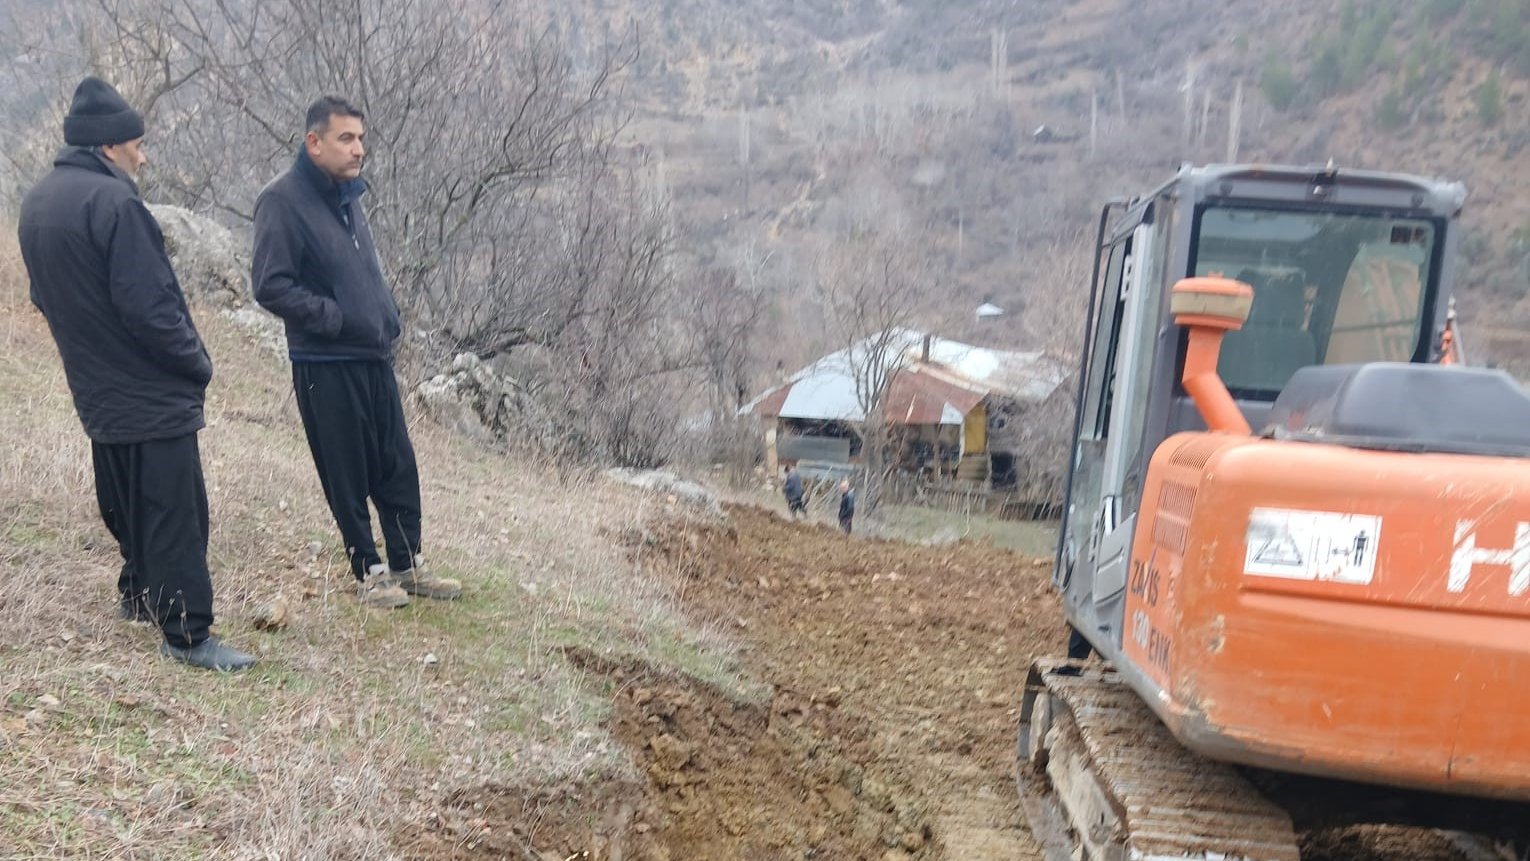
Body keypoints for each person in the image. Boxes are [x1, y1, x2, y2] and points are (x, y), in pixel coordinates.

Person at [17, 77, 255, 671]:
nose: (142, 156)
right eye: (136, 145)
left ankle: (137, 594)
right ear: (107, 147)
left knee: (124, 496)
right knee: (176, 513)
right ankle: (188, 636)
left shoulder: (39, 201)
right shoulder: (116, 205)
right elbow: (151, 308)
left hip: (96, 386)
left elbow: (43, 298)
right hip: (150, 390)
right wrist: (196, 364)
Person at [252, 96, 460, 609]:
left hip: (373, 357)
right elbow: (269, 285)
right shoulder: (282, 200)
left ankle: (407, 564)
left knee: (395, 465)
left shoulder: (347, 196)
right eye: (346, 138)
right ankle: (369, 571)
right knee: (346, 472)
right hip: (326, 363)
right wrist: (336, 319)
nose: (358, 148)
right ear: (314, 142)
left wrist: (383, 318)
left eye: (361, 139)